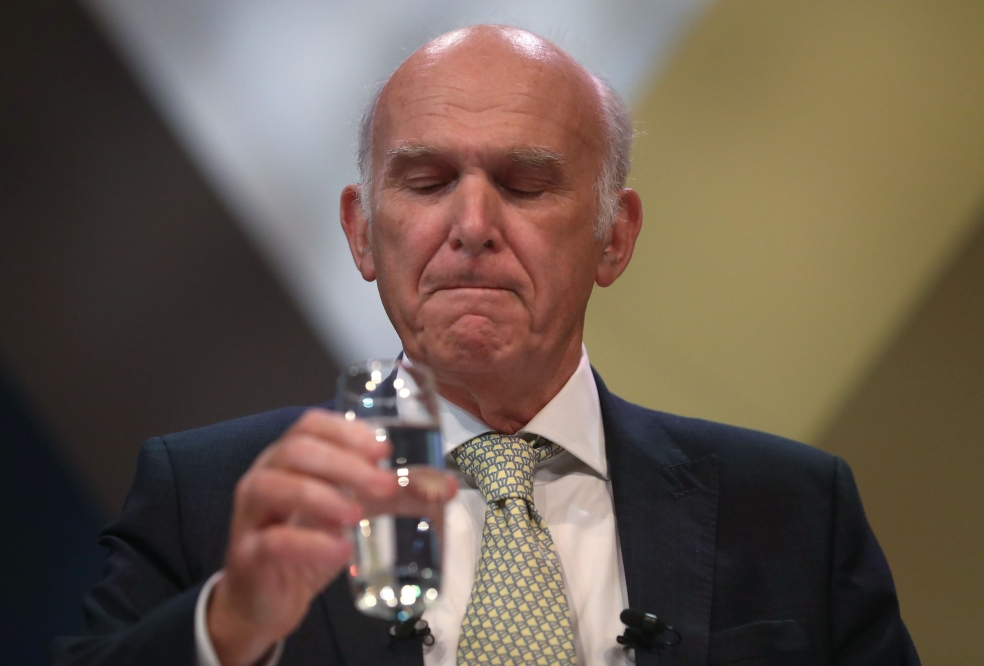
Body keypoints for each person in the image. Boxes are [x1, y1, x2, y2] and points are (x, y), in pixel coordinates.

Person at [54, 25, 919, 666]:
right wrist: (231, 626)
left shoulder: (797, 513)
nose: (472, 226)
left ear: (613, 236)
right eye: (427, 182)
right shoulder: (207, 499)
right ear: (362, 232)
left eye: (526, 183)